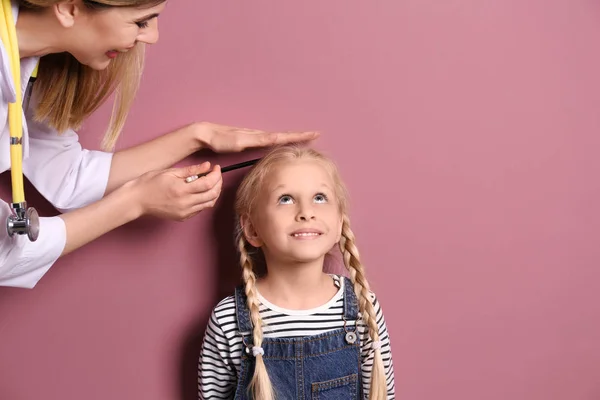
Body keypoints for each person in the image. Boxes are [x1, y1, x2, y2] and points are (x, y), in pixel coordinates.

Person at [0, 0, 318, 289]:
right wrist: (135, 202)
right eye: (141, 21)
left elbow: (69, 178)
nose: (152, 37)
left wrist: (198, 136)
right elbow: (6, 255)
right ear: (69, 8)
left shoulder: (31, 64)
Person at [197, 144, 395, 400]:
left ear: (339, 223)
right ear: (253, 229)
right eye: (285, 199)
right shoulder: (229, 320)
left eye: (320, 198)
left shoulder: (362, 308)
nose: (306, 212)